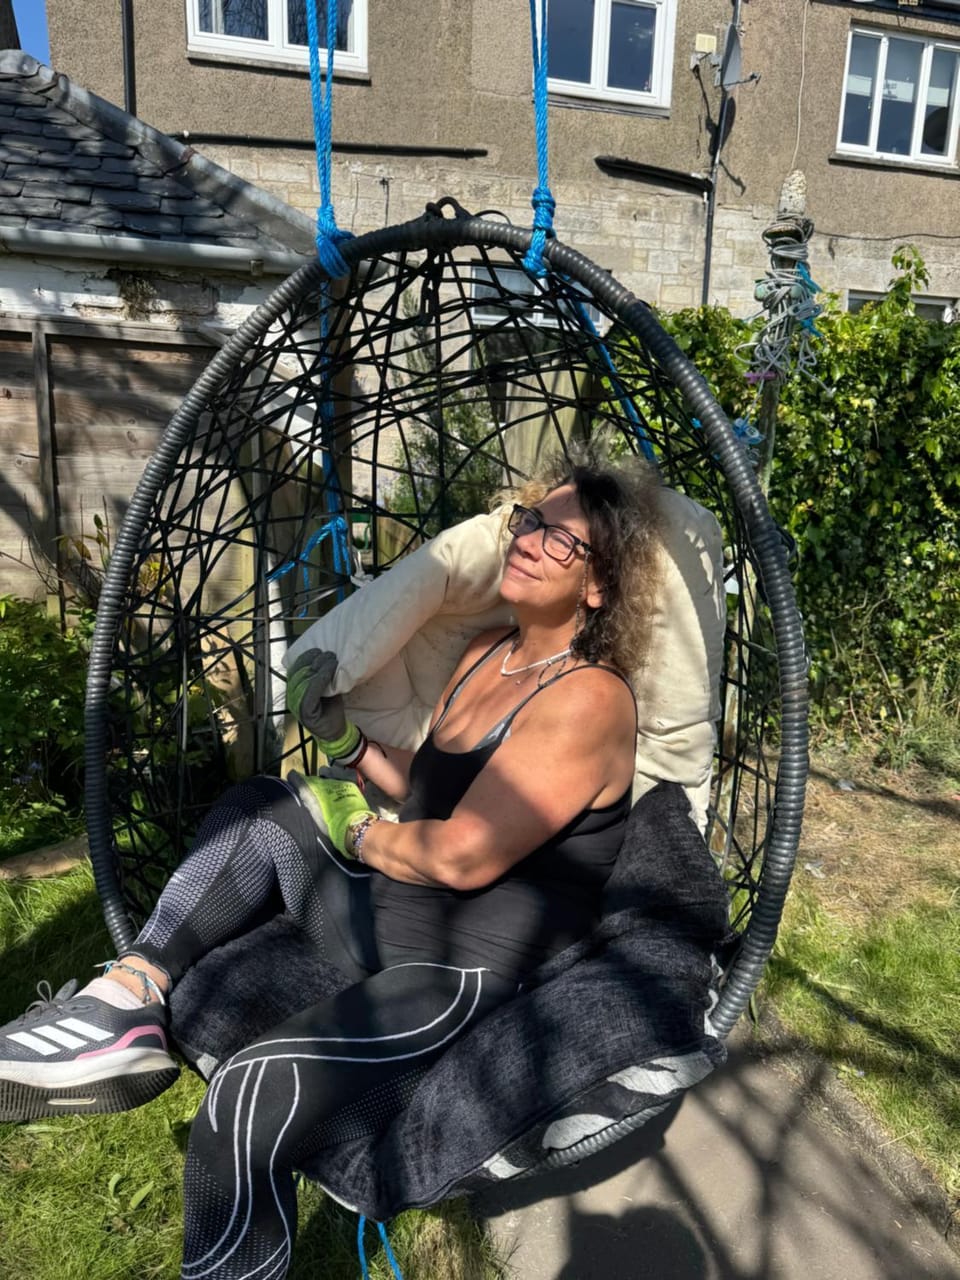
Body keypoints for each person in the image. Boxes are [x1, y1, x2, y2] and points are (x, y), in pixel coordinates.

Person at [0, 447, 664, 1279]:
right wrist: (348, 744)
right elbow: (432, 791)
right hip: (388, 909)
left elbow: (460, 854)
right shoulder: (485, 651)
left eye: (561, 540)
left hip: (458, 971)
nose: (528, 539)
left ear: (599, 586)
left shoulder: (590, 699)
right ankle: (124, 1003)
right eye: (530, 520)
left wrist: (357, 835)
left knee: (246, 1102)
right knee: (264, 804)